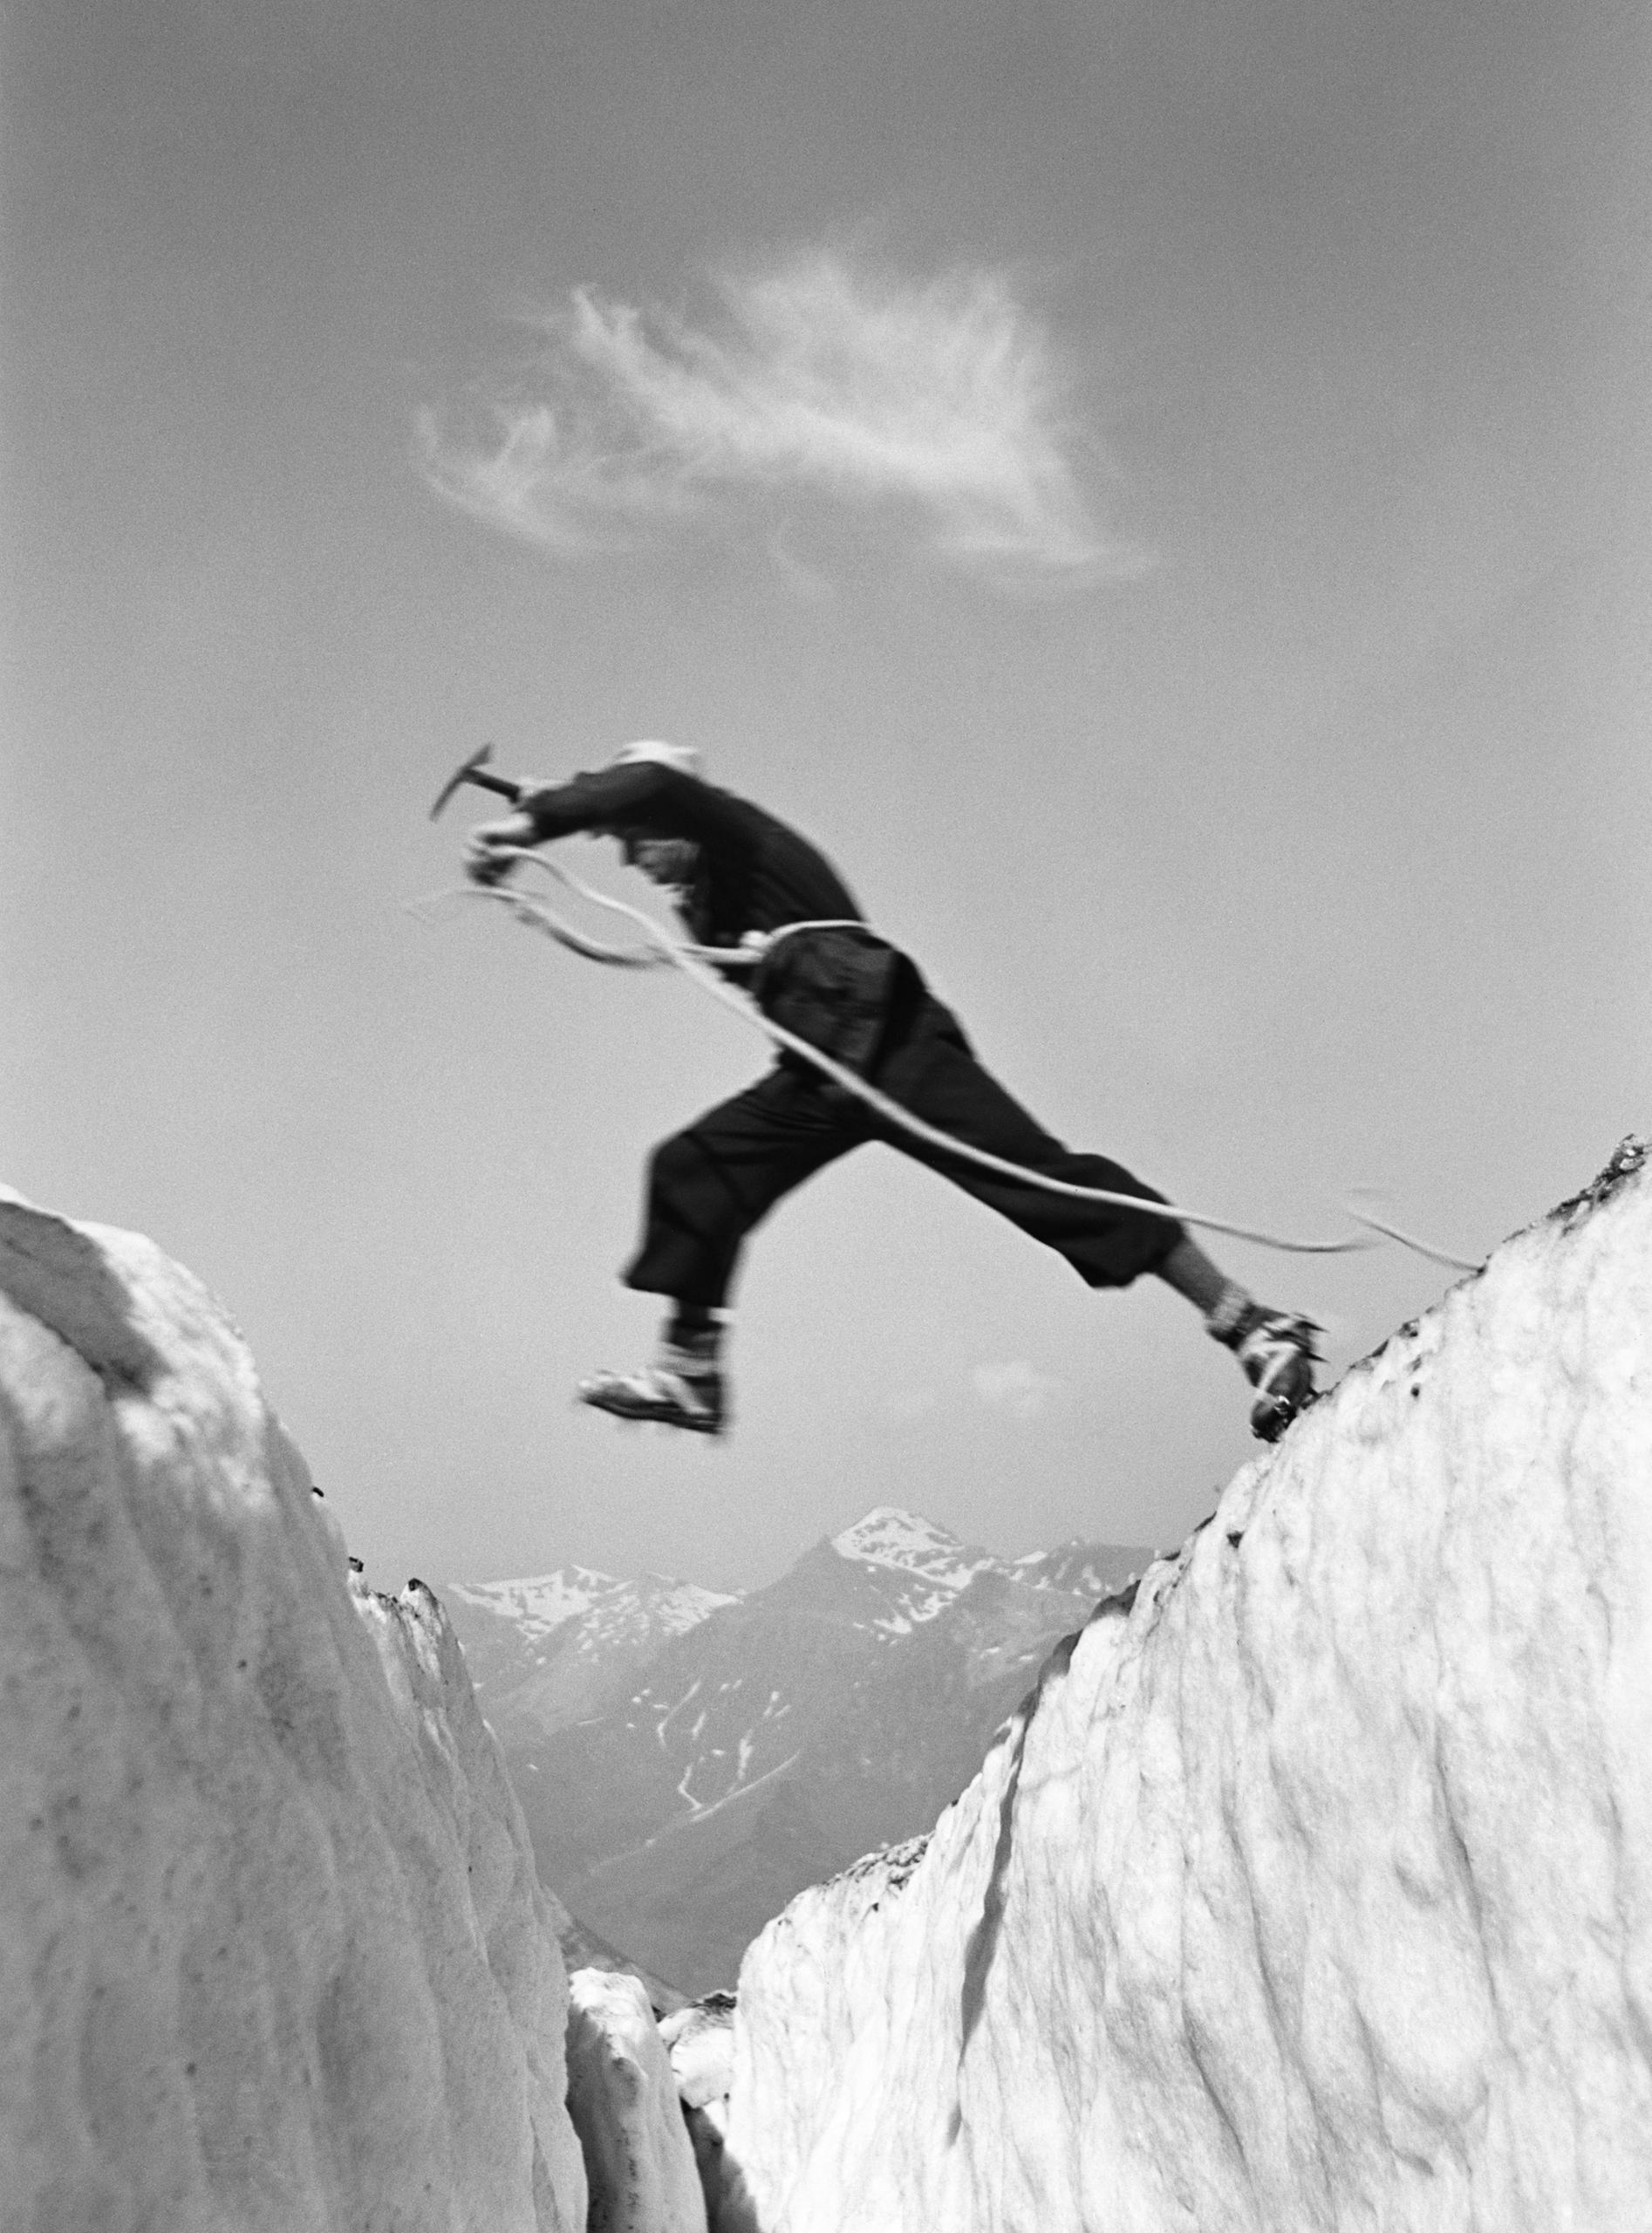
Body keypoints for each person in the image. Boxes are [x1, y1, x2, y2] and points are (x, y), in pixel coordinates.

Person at [466, 739, 1319, 1442]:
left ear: (676, 813)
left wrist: (535, 819)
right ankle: (692, 1374)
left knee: (1042, 1180)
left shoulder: (731, 829)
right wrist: (569, 820)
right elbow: (636, 810)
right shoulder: (712, 899)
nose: (629, 860)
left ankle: (1254, 1327)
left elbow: (648, 785)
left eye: (635, 840)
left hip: (886, 1033)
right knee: (696, 1166)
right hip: (822, 1069)